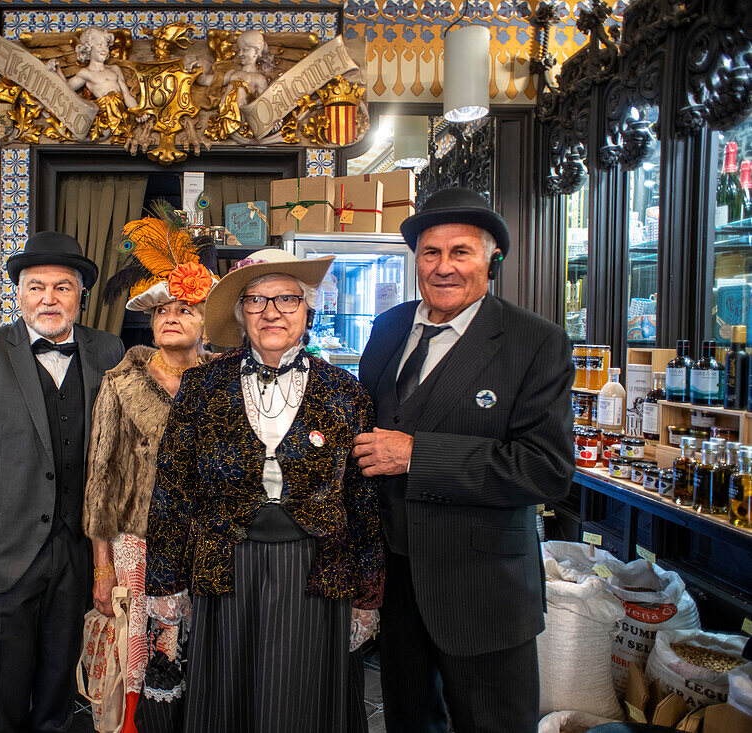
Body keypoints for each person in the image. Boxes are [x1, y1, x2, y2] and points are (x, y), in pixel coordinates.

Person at [353, 187, 575, 733]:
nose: (444, 267)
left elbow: (544, 468)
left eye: (461, 252)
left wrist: (417, 455)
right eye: (431, 253)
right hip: (399, 585)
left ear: (491, 259)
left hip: (481, 590)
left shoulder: (534, 342)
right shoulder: (389, 329)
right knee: (409, 719)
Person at [146, 248, 384, 733]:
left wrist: (368, 594)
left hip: (316, 570)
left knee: (302, 702)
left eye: (287, 299)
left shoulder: (346, 392)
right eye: (255, 300)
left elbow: (363, 501)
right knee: (228, 700)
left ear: (308, 309)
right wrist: (165, 581)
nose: (271, 311)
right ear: (240, 314)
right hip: (226, 565)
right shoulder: (201, 387)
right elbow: (173, 489)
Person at [0, 230, 125, 733]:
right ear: (18, 294)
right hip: (3, 546)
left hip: (78, 549)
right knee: (2, 691)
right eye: (37, 287)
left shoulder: (108, 350)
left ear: (80, 295)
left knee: (59, 687)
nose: (49, 299)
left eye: (62, 287)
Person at [83, 214, 219, 733]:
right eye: (162, 310)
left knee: (203, 648)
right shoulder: (120, 384)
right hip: (136, 542)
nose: (171, 318)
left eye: (185, 309)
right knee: (137, 652)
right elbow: (101, 479)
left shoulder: (224, 381)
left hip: (208, 540)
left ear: (207, 319)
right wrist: (102, 564)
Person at [48, 27, 137, 144]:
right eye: (99, 45)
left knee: (114, 98)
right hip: (102, 115)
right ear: (88, 48)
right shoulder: (86, 73)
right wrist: (57, 70)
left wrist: (137, 111)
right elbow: (67, 90)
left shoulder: (115, 69)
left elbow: (127, 96)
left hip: (119, 112)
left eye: (106, 46)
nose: (104, 49)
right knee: (111, 98)